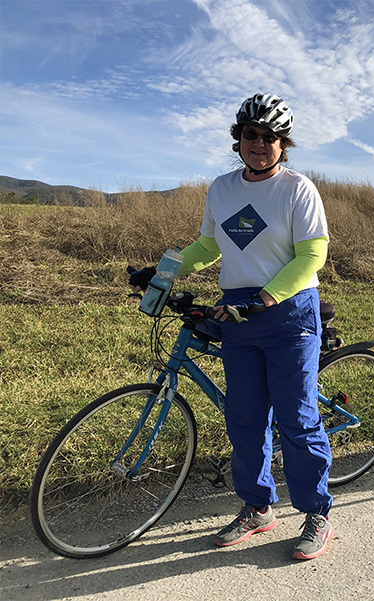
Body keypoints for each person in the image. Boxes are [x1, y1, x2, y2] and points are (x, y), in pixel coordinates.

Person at [129, 93, 334, 559]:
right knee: (243, 417)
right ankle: (258, 507)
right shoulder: (221, 188)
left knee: (296, 419)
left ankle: (317, 514)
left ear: (283, 144)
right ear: (237, 139)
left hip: (287, 310)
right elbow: (208, 247)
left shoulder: (298, 189)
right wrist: (162, 270)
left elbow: (312, 257)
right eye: (251, 135)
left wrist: (266, 298)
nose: (259, 143)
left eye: (270, 137)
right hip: (237, 313)